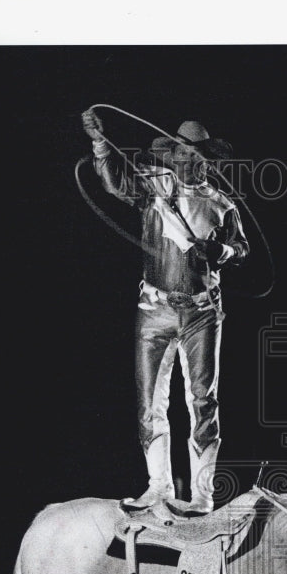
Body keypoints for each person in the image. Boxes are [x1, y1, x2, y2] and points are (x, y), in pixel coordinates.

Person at [81, 109, 250, 514]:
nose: (189, 161)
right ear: (172, 156)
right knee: (149, 402)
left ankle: (203, 496)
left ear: (209, 159)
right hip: (153, 308)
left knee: (203, 400)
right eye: (182, 153)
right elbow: (114, 181)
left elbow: (242, 250)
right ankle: (158, 487)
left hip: (202, 312)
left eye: (198, 155)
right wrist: (101, 144)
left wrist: (222, 251)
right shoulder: (153, 188)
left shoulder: (221, 204)